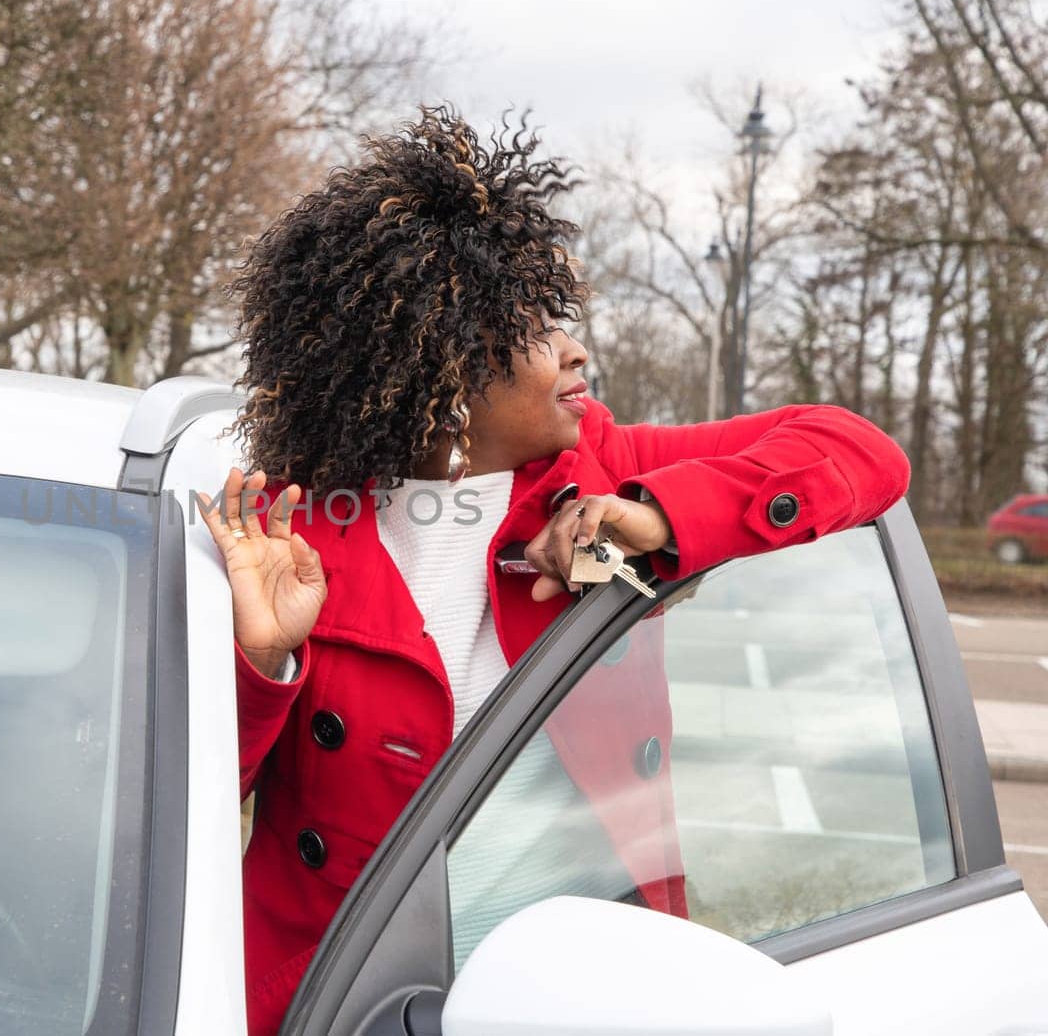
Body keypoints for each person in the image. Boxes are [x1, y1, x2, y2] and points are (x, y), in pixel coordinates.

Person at [198, 105, 911, 1035]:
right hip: (342, 999)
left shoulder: (608, 471)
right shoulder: (292, 531)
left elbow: (860, 451)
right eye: (531, 325)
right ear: (439, 371)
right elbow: (188, 816)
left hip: (595, 998)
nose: (575, 348)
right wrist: (263, 664)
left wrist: (659, 517)